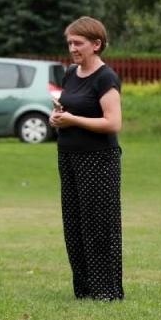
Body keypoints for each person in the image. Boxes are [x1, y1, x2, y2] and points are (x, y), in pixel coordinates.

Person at [52, 16, 124, 301]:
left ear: (96, 44)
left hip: (98, 160)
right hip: (68, 156)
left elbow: (113, 123)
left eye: (78, 43)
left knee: (99, 225)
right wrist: (57, 117)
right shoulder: (70, 73)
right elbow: (67, 108)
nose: (72, 48)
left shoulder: (106, 77)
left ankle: (106, 291)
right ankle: (84, 290)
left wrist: (73, 120)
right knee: (74, 224)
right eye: (70, 42)